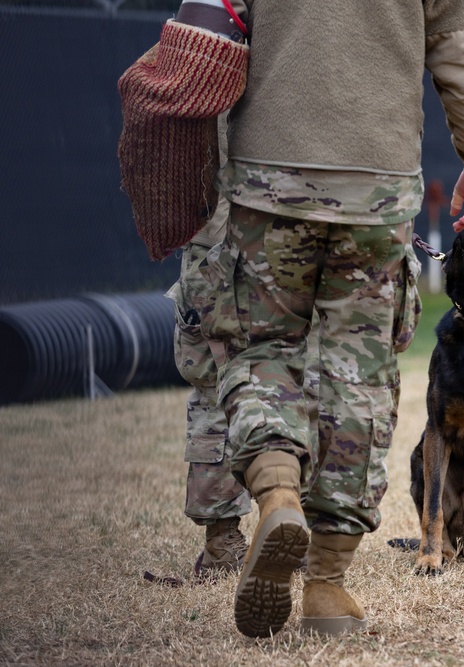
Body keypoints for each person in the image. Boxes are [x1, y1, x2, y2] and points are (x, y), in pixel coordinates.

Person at [171, 0, 464, 638]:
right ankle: (327, 585)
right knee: (361, 376)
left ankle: (275, 492)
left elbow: (204, 32)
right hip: (377, 186)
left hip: (267, 180)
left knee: (260, 350)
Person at [165, 119, 252, 581]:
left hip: (214, 241)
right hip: (292, 234)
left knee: (212, 390)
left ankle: (223, 545)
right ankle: (297, 526)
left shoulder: (205, 56)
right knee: (297, 379)